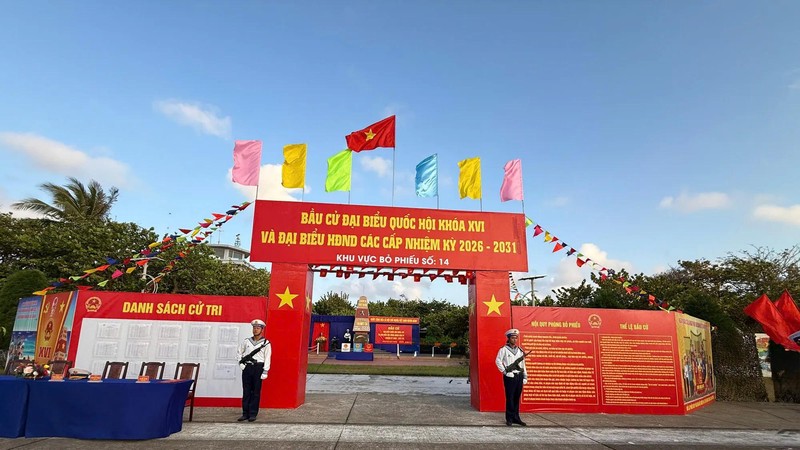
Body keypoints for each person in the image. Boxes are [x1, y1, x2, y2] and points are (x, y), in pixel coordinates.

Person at [236, 319, 271, 422]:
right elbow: (239, 352)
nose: (255, 330)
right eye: (254, 328)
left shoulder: (266, 343)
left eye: (258, 328)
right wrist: (241, 363)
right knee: (246, 391)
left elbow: (267, 357)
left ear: (262, 330)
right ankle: (245, 413)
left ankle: (252, 413)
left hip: (258, 368)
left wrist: (265, 371)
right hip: (248, 367)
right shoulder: (247, 341)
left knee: (255, 392)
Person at [495, 328, 527, 426]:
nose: (514, 340)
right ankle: (509, 418)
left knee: (517, 397)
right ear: (508, 338)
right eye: (513, 338)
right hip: (510, 376)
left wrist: (525, 376)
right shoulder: (503, 349)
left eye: (516, 338)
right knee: (510, 397)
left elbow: (523, 364)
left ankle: (516, 417)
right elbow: (498, 361)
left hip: (519, 375)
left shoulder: (520, 350)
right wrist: (505, 371)